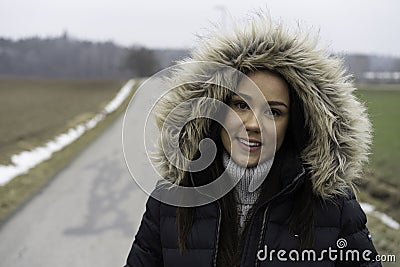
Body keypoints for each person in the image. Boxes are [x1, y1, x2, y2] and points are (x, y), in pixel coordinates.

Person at [124, 13, 381, 266]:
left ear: (294, 124)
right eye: (240, 105)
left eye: (274, 112)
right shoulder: (170, 199)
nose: (252, 125)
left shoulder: (333, 207)